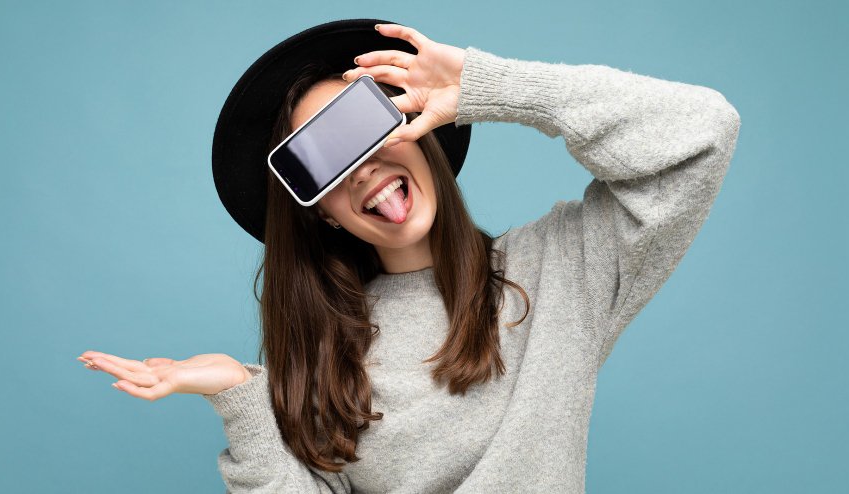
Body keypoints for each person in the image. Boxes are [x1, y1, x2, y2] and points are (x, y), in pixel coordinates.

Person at [78, 18, 740, 493]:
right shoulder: (325, 353)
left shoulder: (563, 268)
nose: (361, 167)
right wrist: (240, 397)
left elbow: (703, 132)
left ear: (418, 130)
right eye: (325, 163)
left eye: (364, 128)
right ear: (323, 213)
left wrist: (493, 86)